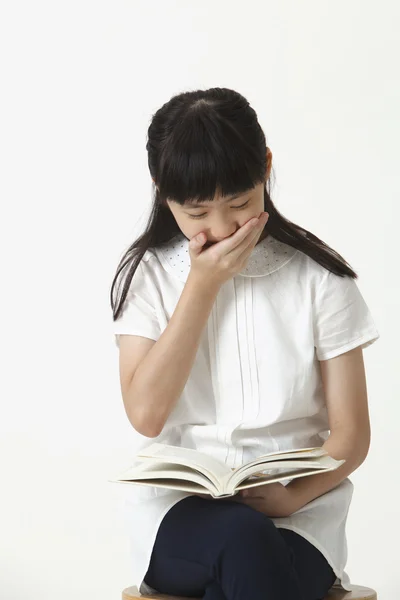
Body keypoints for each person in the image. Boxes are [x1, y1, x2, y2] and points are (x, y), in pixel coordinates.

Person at [110, 88, 380, 600]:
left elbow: (352, 435)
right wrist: (202, 285)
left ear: (266, 169)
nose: (222, 228)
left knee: (245, 563)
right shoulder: (149, 276)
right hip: (179, 515)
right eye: (196, 213)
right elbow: (146, 414)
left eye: (239, 204)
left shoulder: (319, 278)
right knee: (242, 543)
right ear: (160, 191)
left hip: (299, 516)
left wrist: (288, 499)